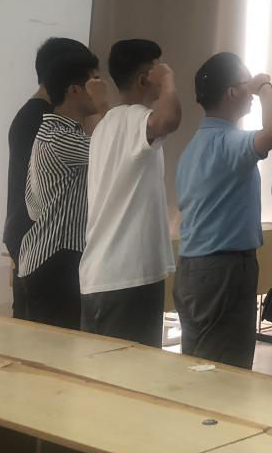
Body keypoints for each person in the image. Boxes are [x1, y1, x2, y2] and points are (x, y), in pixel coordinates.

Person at [174, 52, 272, 368]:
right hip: (223, 270)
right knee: (225, 371)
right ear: (231, 93)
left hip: (194, 267)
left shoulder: (193, 148)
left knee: (199, 364)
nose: (250, 91)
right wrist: (264, 87)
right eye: (246, 84)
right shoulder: (229, 143)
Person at [79, 39, 183, 346]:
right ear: (143, 79)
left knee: (101, 370)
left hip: (103, 275)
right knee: (130, 371)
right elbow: (168, 120)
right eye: (156, 71)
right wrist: (169, 80)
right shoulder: (135, 118)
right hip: (129, 276)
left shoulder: (108, 123)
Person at [16, 43, 106, 329]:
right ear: (74, 90)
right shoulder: (59, 137)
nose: (101, 87)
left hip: (51, 258)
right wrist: (103, 106)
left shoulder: (57, 131)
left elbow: (33, 205)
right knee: (55, 350)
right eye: (94, 82)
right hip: (56, 259)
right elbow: (112, 150)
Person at [4, 37, 89, 319]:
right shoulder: (44, 120)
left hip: (32, 235)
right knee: (44, 331)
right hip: (40, 239)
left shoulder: (35, 115)